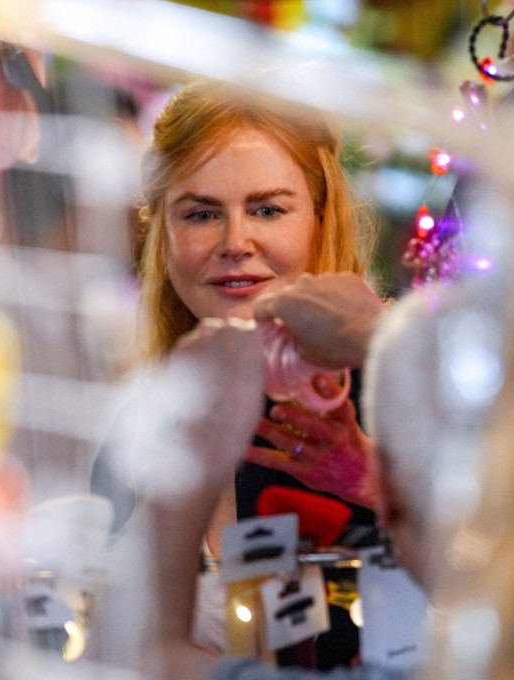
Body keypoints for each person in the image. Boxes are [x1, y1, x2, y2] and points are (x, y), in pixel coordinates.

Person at [90, 78, 385, 668]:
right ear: (163, 236)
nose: (235, 242)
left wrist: (371, 481)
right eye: (201, 213)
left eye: (268, 209)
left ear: (321, 219)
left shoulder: (395, 383)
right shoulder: (143, 418)